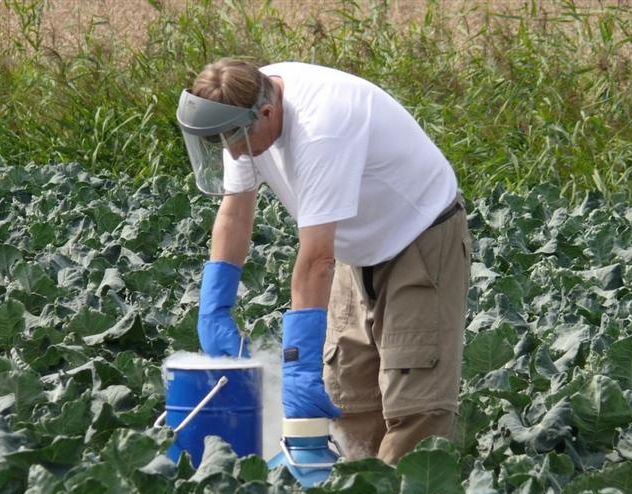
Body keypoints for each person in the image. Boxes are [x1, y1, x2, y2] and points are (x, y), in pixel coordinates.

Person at [176, 58, 471, 464]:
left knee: (414, 406)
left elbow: (316, 259)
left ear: (267, 113)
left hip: (419, 237)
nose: (231, 150)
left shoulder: (321, 128)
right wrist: (214, 308)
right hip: (356, 250)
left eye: (233, 139)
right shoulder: (239, 111)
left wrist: (297, 368)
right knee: (348, 400)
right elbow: (235, 212)